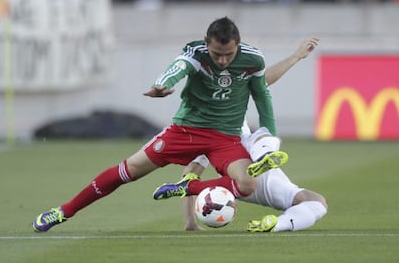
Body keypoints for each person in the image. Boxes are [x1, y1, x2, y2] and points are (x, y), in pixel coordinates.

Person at [32, 16, 287, 232]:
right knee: (127, 170)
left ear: (238, 45)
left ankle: (188, 187)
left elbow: (262, 95)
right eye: (217, 54)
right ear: (206, 43)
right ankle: (64, 211)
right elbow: (178, 68)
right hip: (186, 131)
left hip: (226, 138)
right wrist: (162, 84)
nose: (222, 61)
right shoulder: (195, 53)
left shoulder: (253, 60)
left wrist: (269, 136)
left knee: (248, 183)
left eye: (229, 54)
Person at [179, 37, 328, 232]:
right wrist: (296, 56)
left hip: (243, 185)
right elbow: (262, 80)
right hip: (252, 175)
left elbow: (190, 173)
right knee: (264, 135)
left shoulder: (206, 124)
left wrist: (190, 222)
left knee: (315, 201)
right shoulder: (215, 124)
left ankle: (276, 223)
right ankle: (264, 156)